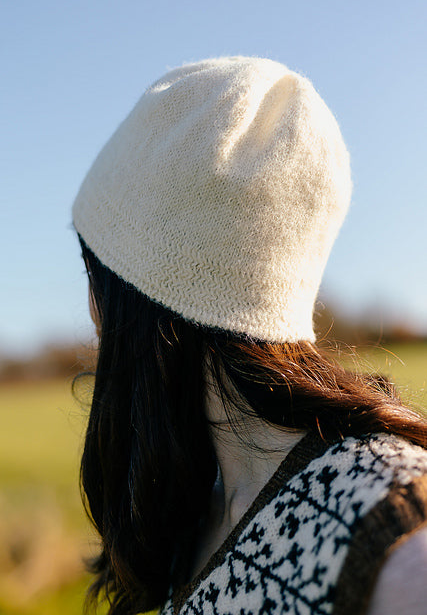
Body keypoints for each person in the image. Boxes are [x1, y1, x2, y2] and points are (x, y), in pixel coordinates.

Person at [72, 56, 427, 615]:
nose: (91, 311)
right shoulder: (199, 518)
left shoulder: (389, 523)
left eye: (95, 276)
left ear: (138, 299)